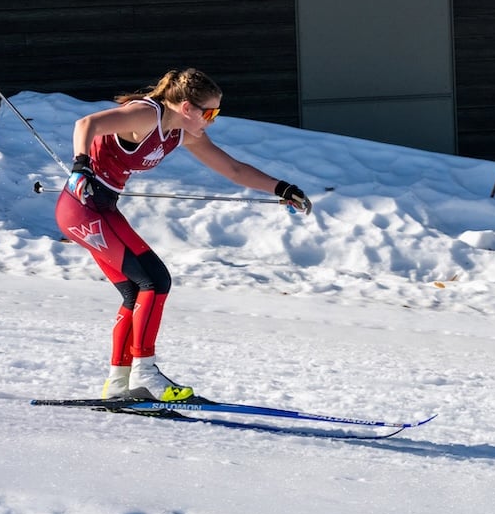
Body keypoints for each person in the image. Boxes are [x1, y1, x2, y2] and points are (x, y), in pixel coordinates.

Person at [54, 68, 311, 402]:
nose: (212, 120)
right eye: (209, 112)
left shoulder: (182, 134)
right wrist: (80, 167)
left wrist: (283, 188)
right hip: (82, 206)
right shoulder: (146, 115)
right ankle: (146, 372)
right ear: (187, 107)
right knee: (156, 280)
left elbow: (233, 170)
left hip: (102, 209)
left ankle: (119, 383)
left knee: (136, 291)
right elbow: (85, 124)